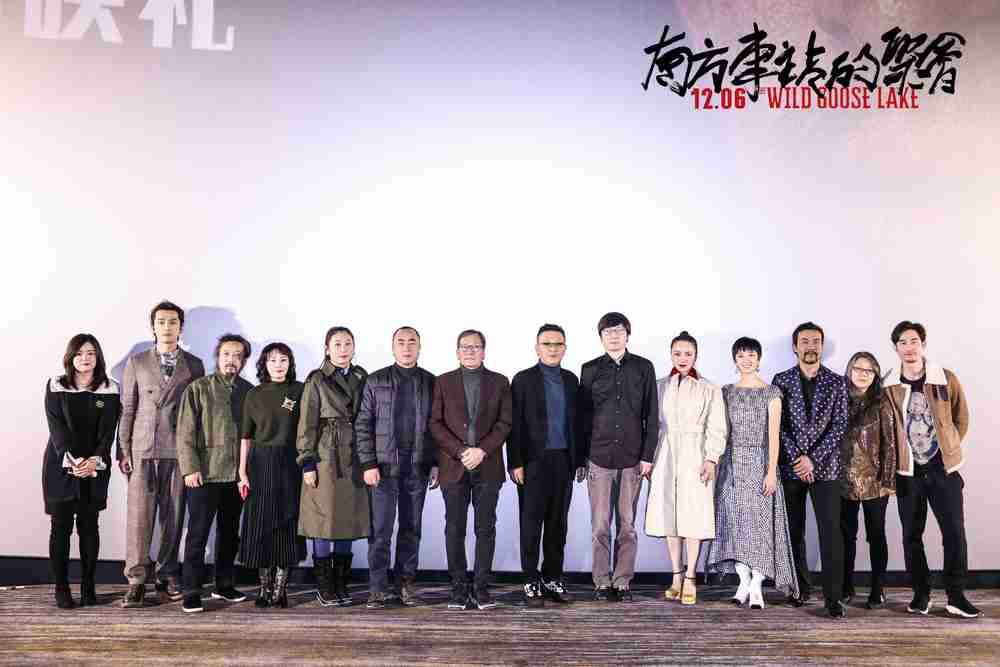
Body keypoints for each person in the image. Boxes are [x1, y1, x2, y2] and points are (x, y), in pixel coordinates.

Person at [883, 321, 980, 618]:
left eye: (914, 341)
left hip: (943, 470)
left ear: (923, 344)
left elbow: (961, 418)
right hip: (908, 473)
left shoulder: (945, 378)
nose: (909, 348)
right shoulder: (888, 385)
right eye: (902, 342)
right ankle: (921, 595)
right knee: (912, 536)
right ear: (896, 348)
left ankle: (956, 596)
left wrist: (948, 449)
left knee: (954, 532)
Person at [118, 300, 205, 608]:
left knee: (174, 517)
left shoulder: (194, 365)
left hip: (179, 450)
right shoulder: (137, 362)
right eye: (161, 321)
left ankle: (167, 575)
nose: (167, 327)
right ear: (152, 326)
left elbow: (198, 413)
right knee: (138, 519)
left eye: (173, 322)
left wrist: (196, 456)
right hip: (142, 449)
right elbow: (128, 408)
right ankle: (136, 580)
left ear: (181, 327)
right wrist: (124, 448)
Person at [706, 337, 798, 610]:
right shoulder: (726, 392)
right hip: (732, 465)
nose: (746, 360)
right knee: (734, 524)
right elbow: (720, 431)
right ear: (735, 360)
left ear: (759, 359)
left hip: (760, 463)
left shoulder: (771, 393)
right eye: (741, 356)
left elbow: (774, 437)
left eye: (751, 355)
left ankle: (757, 584)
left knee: (760, 527)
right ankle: (742, 581)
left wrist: (770, 472)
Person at [356, 326, 439, 609]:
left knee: (411, 529)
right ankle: (377, 589)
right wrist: (368, 463)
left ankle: (405, 584)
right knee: (380, 531)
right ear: (393, 347)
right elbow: (363, 424)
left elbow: (437, 427)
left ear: (419, 347)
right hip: (382, 469)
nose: (406, 347)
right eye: (401, 342)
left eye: (412, 342)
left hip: (417, 468)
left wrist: (435, 462)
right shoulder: (375, 380)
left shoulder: (430, 382)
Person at [429, 329, 512, 611]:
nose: (470, 351)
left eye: (476, 347)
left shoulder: (500, 382)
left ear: (484, 351)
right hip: (454, 466)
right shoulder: (443, 382)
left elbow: (505, 423)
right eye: (465, 347)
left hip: (488, 466)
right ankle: (458, 588)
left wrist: (481, 450)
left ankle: (481, 588)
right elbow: (435, 423)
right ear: (457, 352)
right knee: (454, 528)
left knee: (485, 528)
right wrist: (461, 451)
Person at [577, 312, 657, 602]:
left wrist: (647, 456)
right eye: (608, 332)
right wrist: (581, 458)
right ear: (601, 337)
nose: (613, 336)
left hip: (632, 458)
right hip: (598, 457)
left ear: (628, 335)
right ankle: (601, 581)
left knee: (627, 525)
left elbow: (651, 414)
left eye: (619, 330)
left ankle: (622, 580)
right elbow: (582, 417)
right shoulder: (589, 369)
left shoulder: (643, 367)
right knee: (600, 525)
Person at [771, 322, 849, 619]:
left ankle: (833, 598)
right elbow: (778, 426)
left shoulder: (837, 382)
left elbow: (840, 425)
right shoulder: (781, 380)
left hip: (826, 470)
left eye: (815, 341)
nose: (810, 346)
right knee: (794, 531)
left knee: (831, 533)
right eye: (804, 341)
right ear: (795, 347)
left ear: (822, 346)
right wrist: (797, 459)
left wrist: (812, 459)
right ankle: (799, 589)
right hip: (791, 469)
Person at [645, 331, 726, 606]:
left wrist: (711, 458)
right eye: (677, 353)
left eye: (688, 354)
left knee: (694, 514)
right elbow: (651, 425)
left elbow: (717, 427)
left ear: (696, 356)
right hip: (665, 452)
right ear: (671, 355)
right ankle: (676, 575)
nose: (682, 358)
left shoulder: (709, 388)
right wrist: (649, 458)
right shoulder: (659, 386)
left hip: (696, 453)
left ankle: (691, 576)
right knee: (669, 514)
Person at [177, 333, 253, 613]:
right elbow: (185, 432)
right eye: (226, 354)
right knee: (197, 534)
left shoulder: (249, 391)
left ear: (244, 361)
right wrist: (190, 468)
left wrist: (247, 472)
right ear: (217, 357)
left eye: (237, 355)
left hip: (236, 476)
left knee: (230, 533)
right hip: (204, 475)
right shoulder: (198, 389)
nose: (231, 360)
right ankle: (191, 590)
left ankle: (224, 584)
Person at [43, 334, 121, 609]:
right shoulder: (56, 385)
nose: (84, 358)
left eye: (90, 353)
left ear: (97, 357)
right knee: (60, 527)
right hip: (61, 464)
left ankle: (88, 586)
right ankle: (61, 588)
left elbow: (108, 431)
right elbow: (56, 426)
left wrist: (94, 461)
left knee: (89, 527)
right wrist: (72, 460)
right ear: (70, 357)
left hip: (94, 467)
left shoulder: (110, 388)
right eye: (78, 353)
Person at [508, 324, 582, 607]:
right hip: (532, 462)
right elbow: (514, 425)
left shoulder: (571, 380)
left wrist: (579, 460)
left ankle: (552, 577)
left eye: (558, 344)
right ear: (537, 348)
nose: (552, 349)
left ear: (565, 348)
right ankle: (530, 579)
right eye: (547, 344)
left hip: (563, 460)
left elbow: (578, 424)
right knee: (531, 523)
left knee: (557, 524)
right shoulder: (523, 380)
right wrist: (515, 462)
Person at [297, 326, 370, 607]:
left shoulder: (361, 376)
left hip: (355, 453)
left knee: (347, 519)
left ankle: (341, 583)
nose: (343, 349)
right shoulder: (317, 379)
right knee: (324, 519)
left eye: (347, 343)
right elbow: (307, 423)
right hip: (326, 455)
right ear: (327, 349)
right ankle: (324, 586)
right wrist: (307, 462)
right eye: (337, 344)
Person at [237, 343, 306, 609]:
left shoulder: (300, 390)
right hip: (260, 463)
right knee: (260, 524)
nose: (278, 365)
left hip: (290, 463)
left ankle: (280, 590)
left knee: (287, 523)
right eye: (272, 360)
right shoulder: (254, 394)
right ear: (264, 364)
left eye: (283, 360)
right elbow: (246, 437)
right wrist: (242, 472)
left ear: (290, 364)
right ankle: (264, 589)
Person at [839, 351, 896, 609]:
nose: (862, 374)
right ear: (849, 371)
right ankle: (846, 586)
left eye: (868, 370)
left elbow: (890, 444)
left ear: (875, 375)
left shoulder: (882, 403)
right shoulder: (839, 399)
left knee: (876, 535)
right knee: (845, 537)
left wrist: (888, 479)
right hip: (843, 481)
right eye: (857, 369)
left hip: (875, 482)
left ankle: (878, 588)